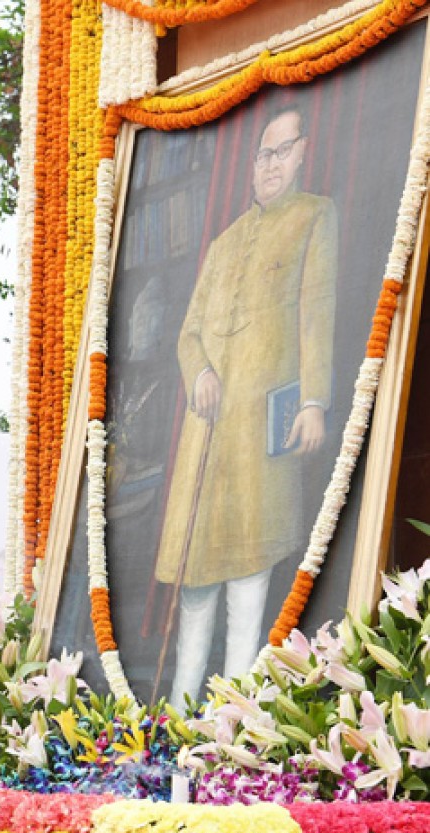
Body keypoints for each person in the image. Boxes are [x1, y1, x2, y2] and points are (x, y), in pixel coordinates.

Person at [154, 103, 338, 706]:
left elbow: (316, 314)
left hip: (262, 426)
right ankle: (181, 711)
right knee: (197, 579)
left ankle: (233, 716)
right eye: (263, 154)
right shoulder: (223, 244)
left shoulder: (314, 217)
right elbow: (188, 334)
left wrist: (313, 400)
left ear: (304, 153)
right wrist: (201, 370)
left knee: (250, 571)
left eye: (282, 151)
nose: (270, 164)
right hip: (208, 436)